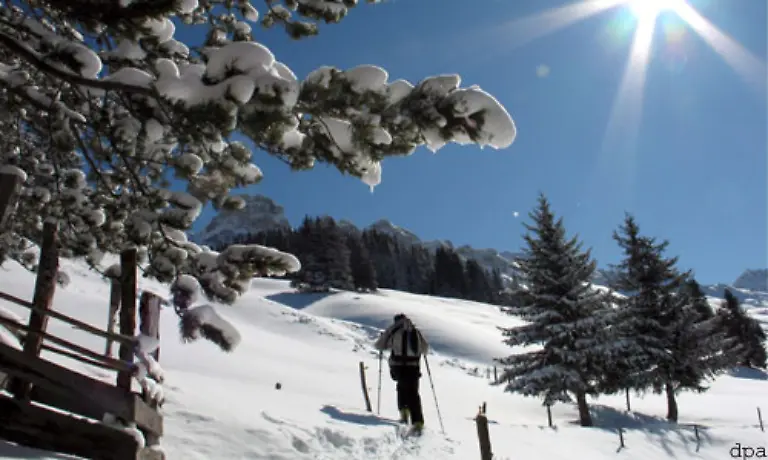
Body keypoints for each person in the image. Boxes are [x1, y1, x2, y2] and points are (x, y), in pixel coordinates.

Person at [374, 313, 429, 431]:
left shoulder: (394, 330)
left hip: (398, 365)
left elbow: (380, 345)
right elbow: (425, 349)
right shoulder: (415, 331)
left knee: (401, 387)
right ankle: (418, 421)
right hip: (414, 366)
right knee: (414, 392)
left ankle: (404, 410)